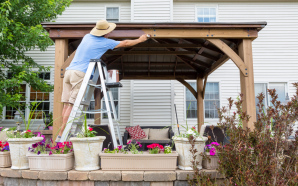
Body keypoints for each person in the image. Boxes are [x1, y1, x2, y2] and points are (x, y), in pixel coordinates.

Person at [56, 20, 148, 142]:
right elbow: (125, 43)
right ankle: (63, 133)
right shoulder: (105, 42)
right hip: (80, 73)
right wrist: (140, 40)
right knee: (72, 105)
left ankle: (60, 134)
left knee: (66, 104)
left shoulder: (87, 37)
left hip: (69, 71)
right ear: (106, 32)